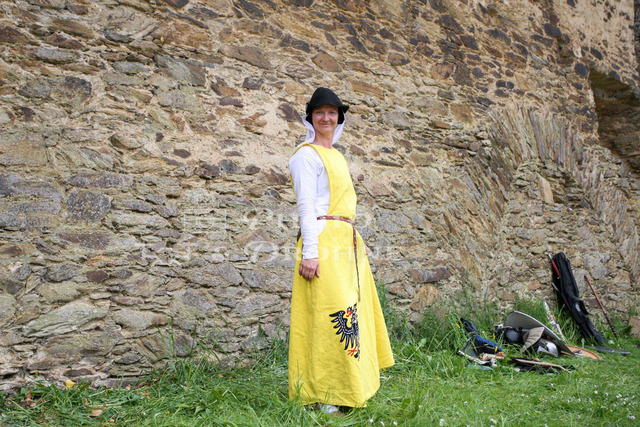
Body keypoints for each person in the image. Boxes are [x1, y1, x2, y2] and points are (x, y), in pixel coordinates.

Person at [287, 87, 395, 414]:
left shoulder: (336, 155)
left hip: (345, 243)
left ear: (339, 118)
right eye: (319, 112)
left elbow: (342, 207)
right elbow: (307, 208)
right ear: (310, 117)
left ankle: (350, 388)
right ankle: (325, 395)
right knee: (329, 316)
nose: (326, 118)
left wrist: (352, 241)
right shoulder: (305, 155)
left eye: (331, 113)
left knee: (352, 314)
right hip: (322, 243)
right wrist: (310, 252)